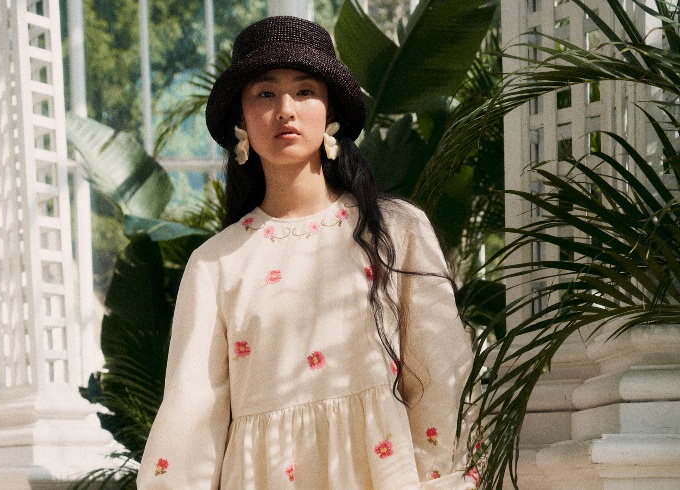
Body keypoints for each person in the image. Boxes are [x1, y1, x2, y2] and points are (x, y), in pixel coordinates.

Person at [137, 16, 478, 489]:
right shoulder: (216, 263)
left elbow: (439, 377)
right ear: (240, 120)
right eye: (265, 93)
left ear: (329, 111)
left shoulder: (396, 231)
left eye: (304, 91)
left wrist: (444, 480)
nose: (285, 110)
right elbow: (192, 411)